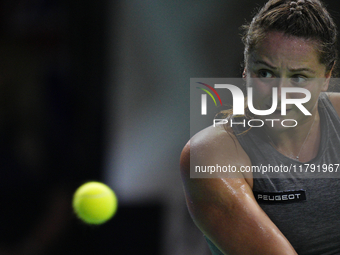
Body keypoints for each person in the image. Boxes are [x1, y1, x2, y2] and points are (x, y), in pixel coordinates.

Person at [180, 0, 340, 254]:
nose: (280, 93)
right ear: (245, 70)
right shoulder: (211, 153)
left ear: (326, 78)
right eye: (265, 73)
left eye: (299, 78)